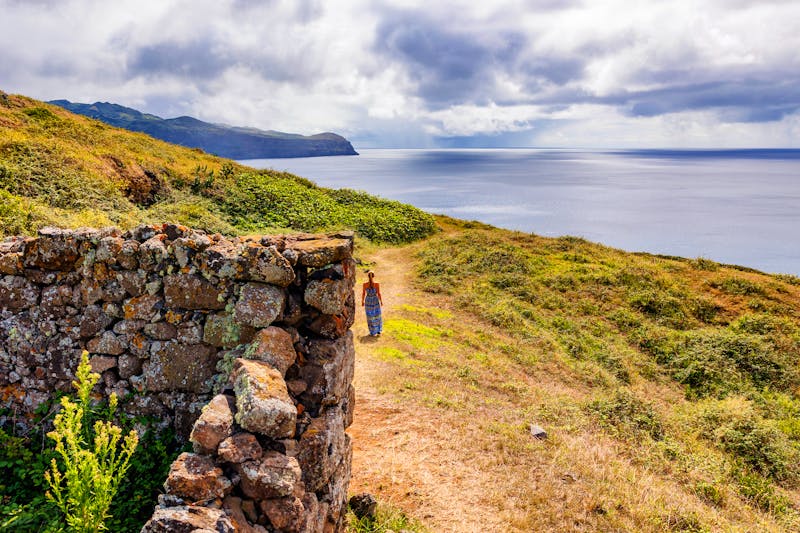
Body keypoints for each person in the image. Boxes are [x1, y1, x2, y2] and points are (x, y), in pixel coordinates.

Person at [361, 270, 383, 336]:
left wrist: (362, 301)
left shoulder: (365, 284)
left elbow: (363, 294)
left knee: (370, 316)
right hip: (375, 300)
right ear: (373, 276)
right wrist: (381, 301)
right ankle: (378, 330)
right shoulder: (377, 284)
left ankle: (372, 331)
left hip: (368, 301)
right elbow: (379, 293)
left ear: (368, 276)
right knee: (377, 315)